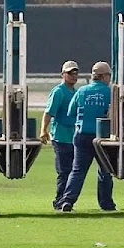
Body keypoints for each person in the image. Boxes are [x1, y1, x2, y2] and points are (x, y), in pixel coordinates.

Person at [58, 61, 115, 213]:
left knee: (77, 170)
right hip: (102, 137)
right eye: (109, 75)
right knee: (105, 170)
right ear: (104, 76)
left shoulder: (82, 91)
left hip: (81, 135)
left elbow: (71, 112)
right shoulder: (111, 92)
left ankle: (67, 200)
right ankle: (106, 204)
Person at [40, 60, 80, 210]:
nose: (73, 76)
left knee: (71, 172)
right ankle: (59, 201)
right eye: (70, 73)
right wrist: (43, 130)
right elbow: (49, 112)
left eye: (75, 73)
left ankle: (66, 200)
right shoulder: (58, 92)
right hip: (61, 137)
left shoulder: (76, 92)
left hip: (73, 137)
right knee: (64, 172)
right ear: (63, 74)